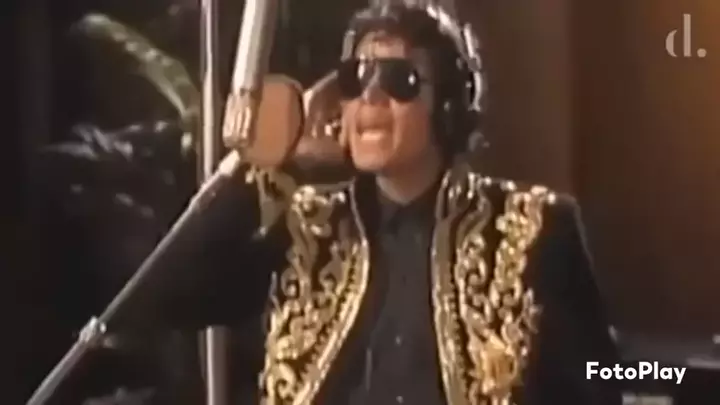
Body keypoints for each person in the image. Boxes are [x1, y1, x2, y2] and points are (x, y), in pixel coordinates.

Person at [44, 3, 622, 405]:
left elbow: (605, 380)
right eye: (354, 77)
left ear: (448, 105)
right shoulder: (304, 228)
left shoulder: (532, 227)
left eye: (398, 80)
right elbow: (161, 300)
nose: (370, 96)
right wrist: (273, 165)